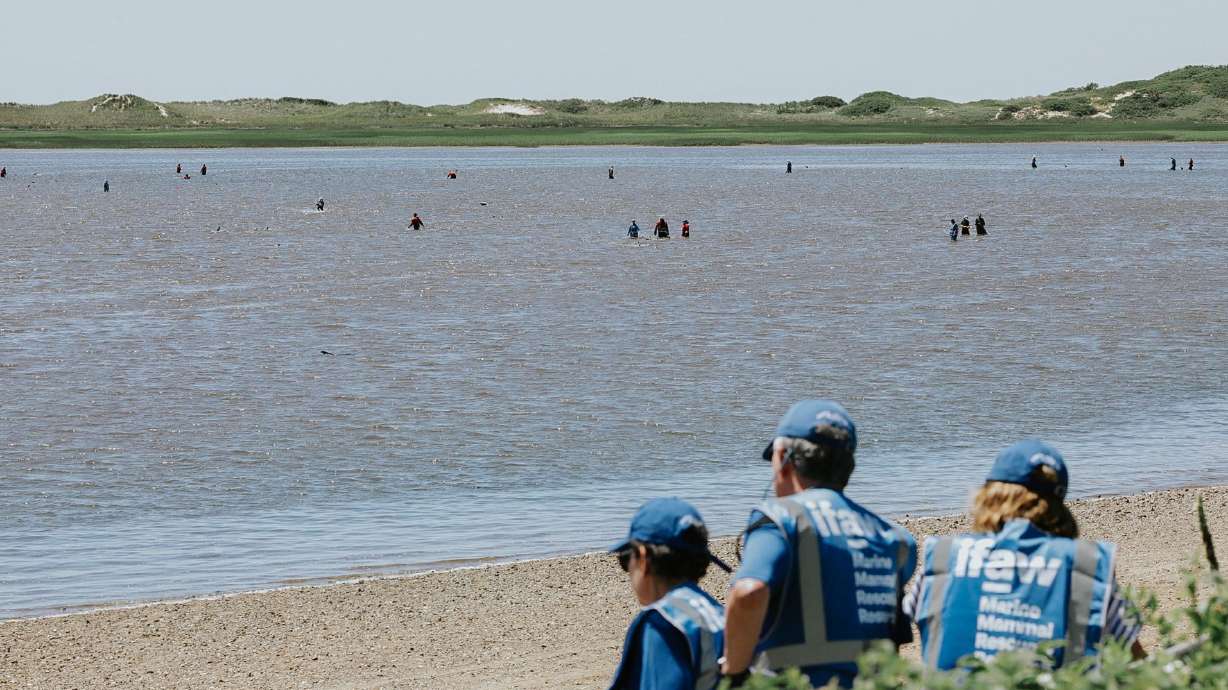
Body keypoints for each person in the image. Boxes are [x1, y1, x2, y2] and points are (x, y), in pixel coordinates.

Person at [722, 400, 917, 689]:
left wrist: (733, 672)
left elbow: (749, 592)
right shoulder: (895, 539)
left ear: (783, 457)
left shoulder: (779, 520)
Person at [909, 440, 1144, 670]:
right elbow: (1137, 663)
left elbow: (891, 634)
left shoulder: (944, 555)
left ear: (988, 495)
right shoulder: (1086, 564)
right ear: (1058, 504)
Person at [608, 498, 729, 690]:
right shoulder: (720, 616)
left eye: (625, 559)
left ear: (643, 558)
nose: (627, 569)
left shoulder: (662, 623)